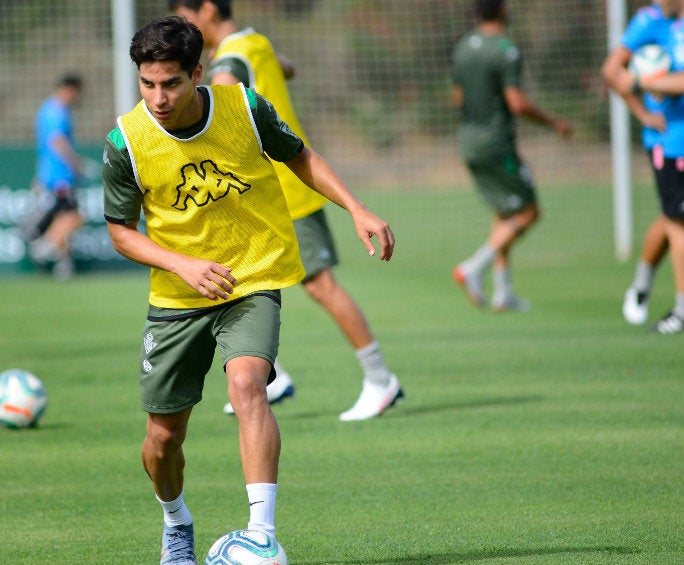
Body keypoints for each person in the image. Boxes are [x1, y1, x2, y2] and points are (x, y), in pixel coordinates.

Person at [102, 16, 394, 565]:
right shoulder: (127, 142)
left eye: (171, 83)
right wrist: (179, 264)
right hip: (178, 297)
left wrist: (356, 207)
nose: (159, 97)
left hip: (252, 276)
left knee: (247, 385)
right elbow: (120, 231)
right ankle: (176, 523)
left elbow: (301, 156)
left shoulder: (244, 109)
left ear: (198, 72)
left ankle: (261, 534)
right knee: (163, 440)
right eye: (148, 84)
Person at [169, 0, 404, 422]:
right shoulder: (255, 40)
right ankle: (271, 378)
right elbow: (287, 67)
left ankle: (380, 379)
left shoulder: (231, 59)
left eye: (186, 17)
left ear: (206, 9)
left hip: (285, 191)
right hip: (266, 193)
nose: (185, 28)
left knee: (321, 286)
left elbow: (220, 97)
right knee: (237, 275)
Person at [450, 0, 572, 313]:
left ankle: (503, 292)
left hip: (468, 140)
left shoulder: (463, 48)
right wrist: (554, 122)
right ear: (503, 10)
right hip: (496, 143)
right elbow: (516, 103)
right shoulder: (505, 49)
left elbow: (457, 98)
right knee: (529, 212)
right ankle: (473, 268)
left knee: (505, 212)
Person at [601, 1, 679, 325]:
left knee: (671, 218)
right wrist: (643, 113)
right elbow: (611, 71)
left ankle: (642, 282)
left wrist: (643, 82)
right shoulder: (649, 21)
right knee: (678, 221)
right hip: (670, 141)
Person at [27, 73, 84, 281]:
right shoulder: (56, 111)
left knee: (61, 218)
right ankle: (43, 247)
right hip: (59, 176)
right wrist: (75, 163)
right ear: (70, 89)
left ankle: (63, 264)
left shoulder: (47, 109)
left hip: (53, 174)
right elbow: (56, 141)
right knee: (74, 217)